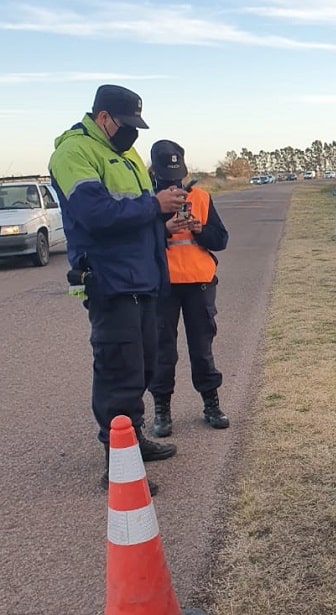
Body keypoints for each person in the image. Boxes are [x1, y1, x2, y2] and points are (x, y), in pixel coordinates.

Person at [49, 84, 187, 494]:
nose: (133, 134)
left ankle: (134, 439)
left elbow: (136, 216)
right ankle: (118, 465)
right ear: (104, 117)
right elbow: (94, 213)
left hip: (142, 277)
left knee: (143, 366)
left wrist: (163, 224)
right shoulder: (74, 152)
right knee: (118, 371)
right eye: (126, 124)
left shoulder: (124, 154)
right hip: (110, 279)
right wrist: (154, 205)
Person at [147, 139, 230, 436]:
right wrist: (162, 229)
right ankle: (162, 411)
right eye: (167, 177)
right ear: (154, 172)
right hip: (162, 285)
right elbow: (136, 244)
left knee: (202, 348)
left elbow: (220, 240)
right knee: (162, 351)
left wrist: (199, 229)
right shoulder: (146, 202)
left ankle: (211, 404)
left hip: (199, 283)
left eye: (177, 175)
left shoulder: (203, 198)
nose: (174, 183)